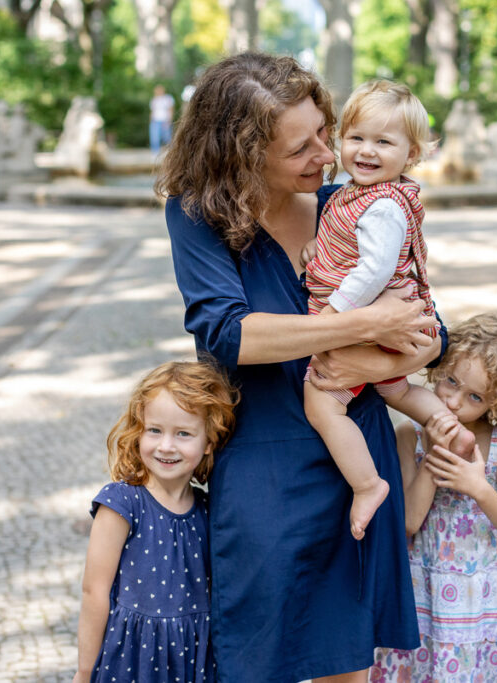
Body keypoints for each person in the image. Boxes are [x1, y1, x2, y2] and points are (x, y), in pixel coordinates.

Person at [156, 52, 443, 683]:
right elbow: (229, 334)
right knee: (259, 660)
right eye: (300, 147)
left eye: (324, 130)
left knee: (351, 667)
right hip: (265, 466)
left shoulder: (358, 203)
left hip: (358, 460)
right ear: (244, 153)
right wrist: (367, 326)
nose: (326, 153)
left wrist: (406, 346)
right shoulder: (198, 214)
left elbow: (427, 327)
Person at [301, 80, 475, 542]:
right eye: (356, 138)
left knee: (321, 403)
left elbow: (375, 270)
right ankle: (445, 424)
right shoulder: (354, 193)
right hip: (379, 324)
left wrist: (332, 316)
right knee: (396, 390)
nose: (366, 151)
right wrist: (316, 253)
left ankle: (367, 483)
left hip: (369, 321)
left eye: (384, 142)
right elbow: (350, 248)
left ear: (412, 153)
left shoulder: (382, 206)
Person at [373, 314, 497, 682]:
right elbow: (408, 522)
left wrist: (479, 488)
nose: (452, 402)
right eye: (450, 381)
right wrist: (434, 457)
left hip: (490, 600)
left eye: (474, 396)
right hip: (429, 598)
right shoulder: (410, 436)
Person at [72, 361, 238, 683]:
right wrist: (84, 670)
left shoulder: (209, 511)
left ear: (208, 443)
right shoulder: (122, 503)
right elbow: (95, 591)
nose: (166, 446)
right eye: (155, 430)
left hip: (192, 660)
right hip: (132, 659)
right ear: (139, 430)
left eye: (183, 434)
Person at [150, 85, 176, 157]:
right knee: (154, 138)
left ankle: (170, 152)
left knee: (167, 138)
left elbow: (171, 110)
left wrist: (169, 121)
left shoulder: (168, 99)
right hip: (155, 121)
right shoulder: (154, 100)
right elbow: (152, 111)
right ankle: (155, 153)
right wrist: (151, 121)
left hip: (165, 121)